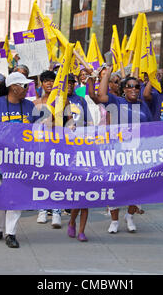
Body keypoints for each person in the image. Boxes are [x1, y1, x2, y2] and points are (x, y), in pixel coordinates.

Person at [0, 71, 37, 248]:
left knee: (16, 195)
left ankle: (10, 233)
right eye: (24, 86)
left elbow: (37, 130)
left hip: (20, 158)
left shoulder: (29, 106)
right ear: (14, 87)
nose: (27, 89)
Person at [96, 68, 153, 234]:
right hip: (117, 151)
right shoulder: (117, 102)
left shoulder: (143, 106)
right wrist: (106, 75)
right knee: (114, 184)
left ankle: (129, 215)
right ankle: (114, 220)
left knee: (136, 186)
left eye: (137, 87)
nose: (134, 89)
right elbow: (101, 96)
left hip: (138, 152)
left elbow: (150, 128)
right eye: (129, 86)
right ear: (124, 89)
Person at [32, 69, 65, 228]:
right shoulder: (36, 103)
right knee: (41, 177)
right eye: (46, 81)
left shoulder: (63, 102)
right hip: (40, 146)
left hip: (58, 146)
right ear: (42, 84)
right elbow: (28, 126)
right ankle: (42, 209)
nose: (50, 84)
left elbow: (72, 122)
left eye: (52, 80)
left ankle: (57, 211)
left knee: (57, 177)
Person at [66, 74, 90, 241]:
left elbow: (87, 123)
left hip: (82, 147)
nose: (69, 85)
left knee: (86, 195)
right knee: (76, 195)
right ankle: (72, 221)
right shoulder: (57, 99)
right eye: (66, 83)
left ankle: (82, 230)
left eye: (71, 83)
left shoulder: (81, 100)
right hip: (65, 149)